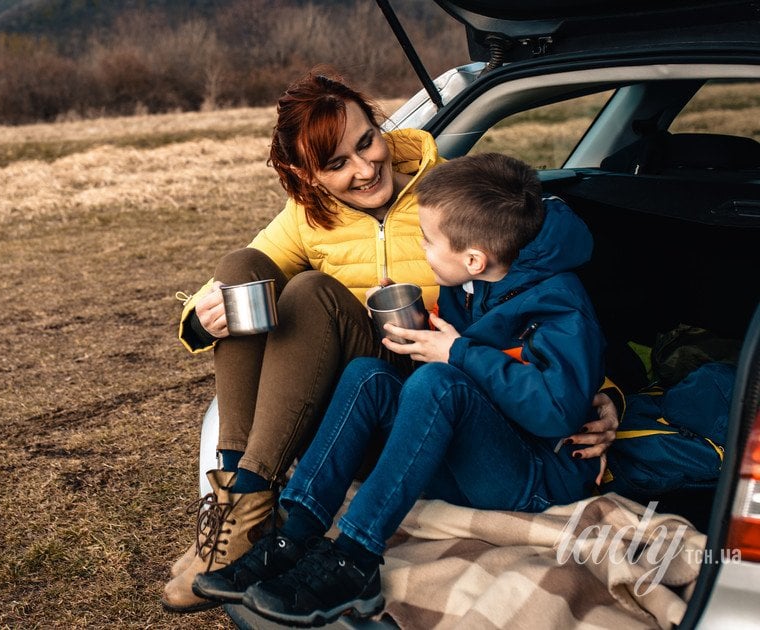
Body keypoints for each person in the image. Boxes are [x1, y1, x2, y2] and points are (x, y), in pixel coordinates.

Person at [161, 70, 618, 613]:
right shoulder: (314, 219)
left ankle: (351, 553)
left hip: (469, 409)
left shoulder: (457, 202)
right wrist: (202, 316)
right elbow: (498, 337)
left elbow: (559, 354)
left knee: (425, 373)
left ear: (381, 127)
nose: (364, 167)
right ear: (306, 175)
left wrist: (608, 394)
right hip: (385, 396)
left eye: (366, 142)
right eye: (336, 164)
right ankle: (258, 510)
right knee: (245, 274)